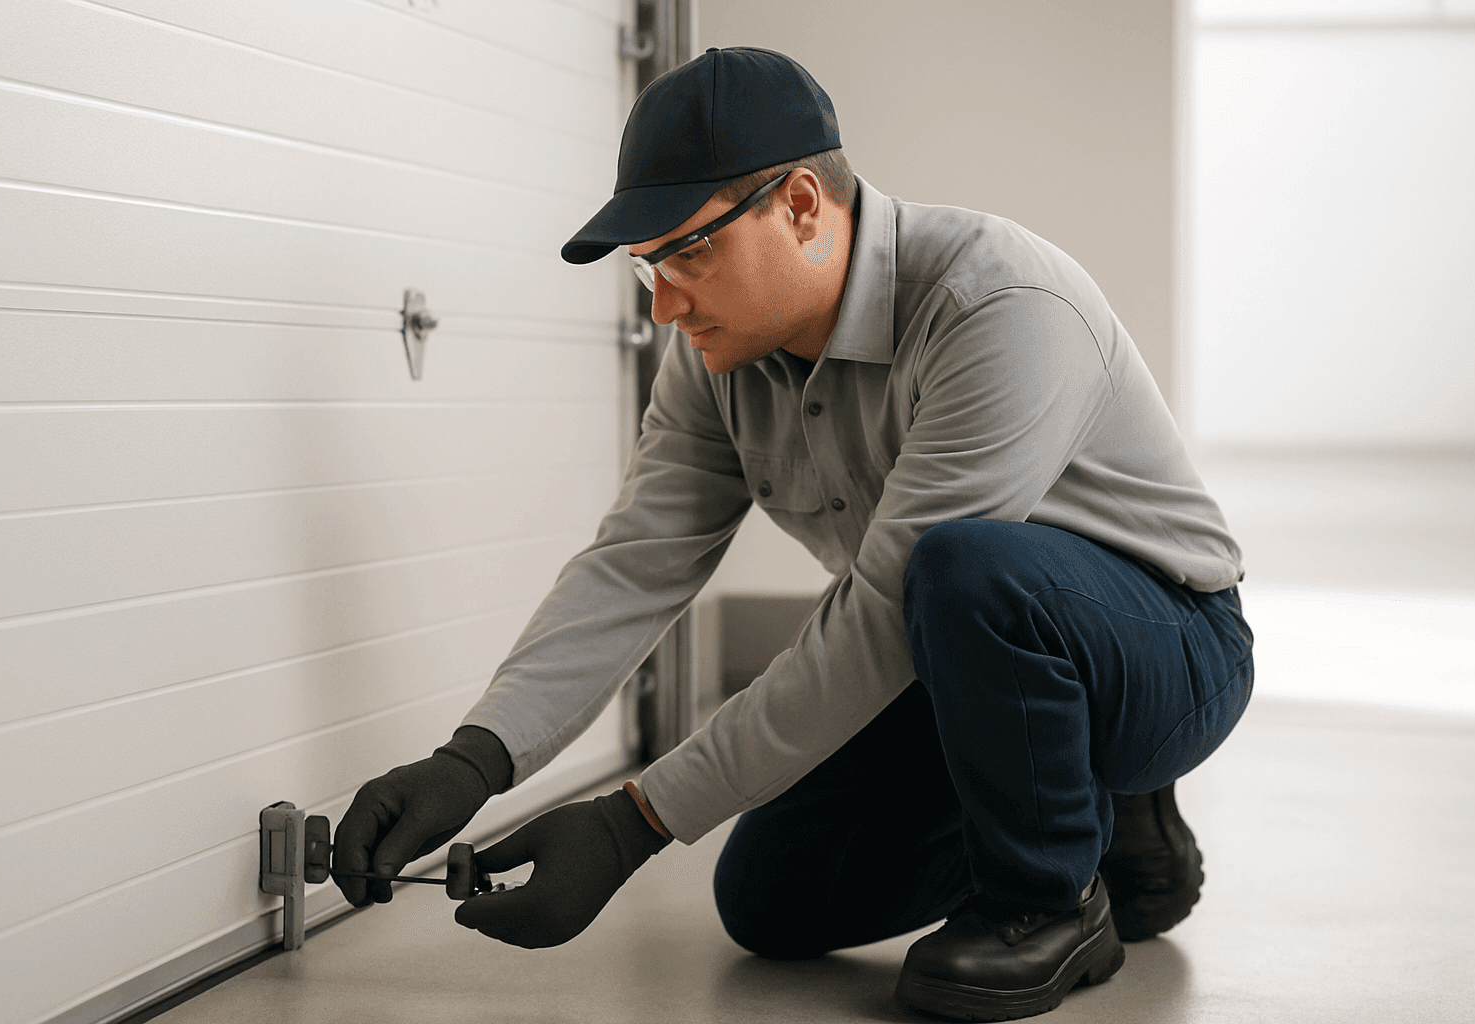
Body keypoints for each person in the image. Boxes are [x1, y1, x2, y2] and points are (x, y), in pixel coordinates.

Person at [334, 47, 1253, 1022]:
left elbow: (884, 616)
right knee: (772, 899)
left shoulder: (996, 304)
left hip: (1164, 648)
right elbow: (634, 561)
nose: (665, 303)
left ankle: (1050, 898)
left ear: (803, 206)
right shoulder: (717, 358)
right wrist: (473, 760)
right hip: (953, 659)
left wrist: (629, 823)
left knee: (962, 568)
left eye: (689, 253)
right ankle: (1099, 817)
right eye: (650, 266)